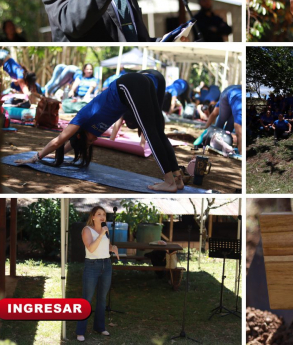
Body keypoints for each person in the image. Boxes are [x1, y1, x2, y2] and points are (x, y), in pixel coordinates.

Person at [15, 71, 185, 192]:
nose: (94, 140)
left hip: (128, 85)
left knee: (150, 133)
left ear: (80, 134)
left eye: (89, 141)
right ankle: (177, 179)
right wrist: (55, 156)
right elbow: (69, 145)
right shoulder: (83, 134)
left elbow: (58, 141)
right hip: (138, 83)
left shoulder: (81, 120)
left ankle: (169, 181)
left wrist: (35, 157)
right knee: (158, 132)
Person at [76, 206, 119, 342]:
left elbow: (106, 246)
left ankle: (99, 327)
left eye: (104, 214)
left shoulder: (105, 230)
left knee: (102, 298)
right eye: (99, 214)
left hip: (106, 265)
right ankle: (80, 331)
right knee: (87, 299)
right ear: (93, 217)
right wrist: (101, 235)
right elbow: (91, 248)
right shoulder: (87, 230)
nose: (102, 216)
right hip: (92, 266)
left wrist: (113, 248)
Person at [205, 85, 242, 151]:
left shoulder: (238, 100)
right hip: (230, 93)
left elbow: (213, 114)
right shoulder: (222, 102)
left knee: (229, 126)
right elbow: (213, 114)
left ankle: (223, 142)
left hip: (233, 93)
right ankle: (214, 140)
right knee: (221, 121)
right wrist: (206, 129)